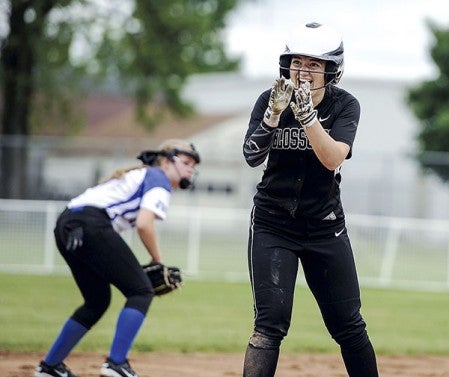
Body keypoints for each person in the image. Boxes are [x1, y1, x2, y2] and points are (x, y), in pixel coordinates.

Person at [241, 22, 379, 377]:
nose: (304, 71)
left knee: (348, 324)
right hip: (274, 223)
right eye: (297, 62)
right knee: (270, 325)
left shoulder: (345, 105)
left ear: (332, 70)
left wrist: (307, 118)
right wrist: (273, 115)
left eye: (315, 64)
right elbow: (252, 157)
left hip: (324, 226)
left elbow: (332, 158)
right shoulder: (270, 100)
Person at [35, 139, 200, 377]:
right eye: (185, 162)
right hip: (91, 224)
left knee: (97, 301)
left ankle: (49, 367)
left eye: (193, 165)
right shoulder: (158, 178)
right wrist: (157, 259)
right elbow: (144, 224)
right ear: (165, 161)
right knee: (141, 291)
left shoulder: (144, 175)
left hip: (67, 225)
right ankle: (116, 363)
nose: (190, 169)